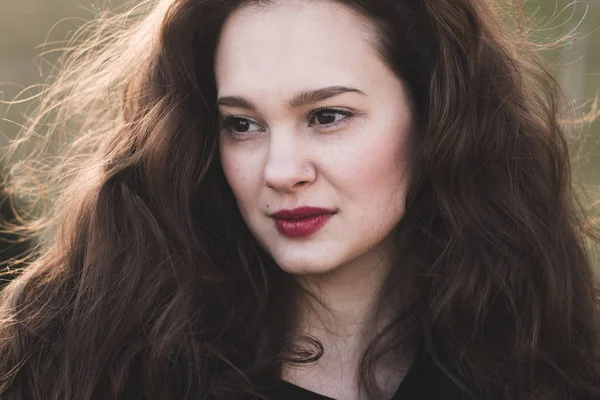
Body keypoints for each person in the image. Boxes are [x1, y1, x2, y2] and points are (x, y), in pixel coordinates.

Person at [0, 0, 599, 399]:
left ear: (437, 117)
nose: (281, 171)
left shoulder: (551, 360)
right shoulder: (79, 361)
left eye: (327, 116)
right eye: (242, 124)